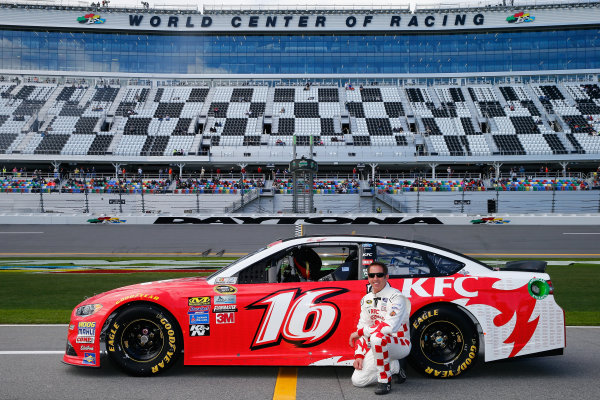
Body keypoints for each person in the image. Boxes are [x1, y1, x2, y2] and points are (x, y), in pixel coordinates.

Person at [348, 262, 411, 395]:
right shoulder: (366, 299)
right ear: (368, 277)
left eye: (379, 275)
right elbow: (362, 327)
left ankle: (384, 381)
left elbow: (389, 327)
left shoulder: (397, 297)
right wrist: (359, 354)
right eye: (372, 275)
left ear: (386, 277)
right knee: (358, 380)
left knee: (377, 337)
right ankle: (395, 367)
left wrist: (359, 332)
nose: (375, 278)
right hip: (379, 345)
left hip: (400, 343)